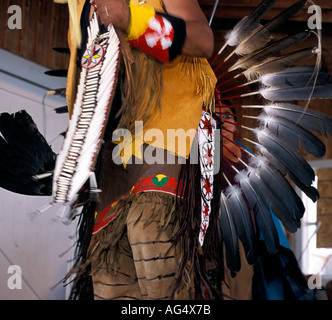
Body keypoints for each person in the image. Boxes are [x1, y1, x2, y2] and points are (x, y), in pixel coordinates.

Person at [66, 0, 219, 300]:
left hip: (168, 129)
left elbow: (203, 40)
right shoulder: (77, 5)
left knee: (150, 239)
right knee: (109, 278)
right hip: (114, 151)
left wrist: (133, 19)